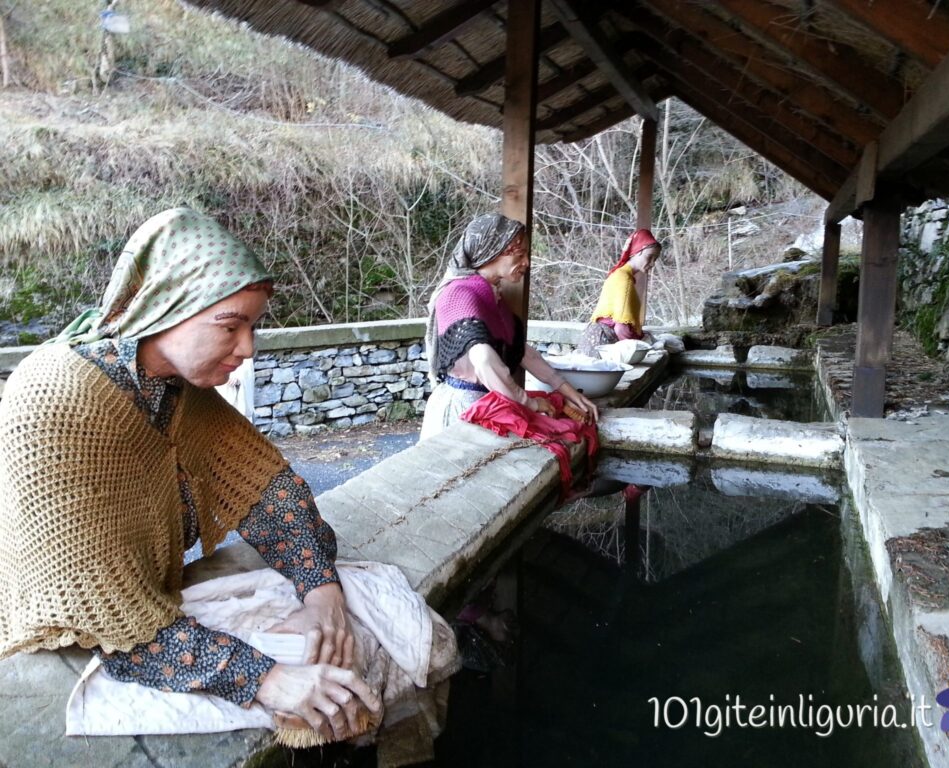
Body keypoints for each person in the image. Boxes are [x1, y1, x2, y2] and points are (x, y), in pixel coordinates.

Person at [0, 207, 379, 743]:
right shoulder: (56, 399)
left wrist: (321, 592)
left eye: (252, 326)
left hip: (150, 607)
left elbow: (269, 495)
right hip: (63, 635)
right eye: (231, 325)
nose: (247, 349)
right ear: (166, 308)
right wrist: (266, 679)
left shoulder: (174, 388)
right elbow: (108, 618)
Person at [421, 212, 599, 440]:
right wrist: (530, 403)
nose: (526, 262)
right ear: (494, 251)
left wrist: (565, 388)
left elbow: (520, 351)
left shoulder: (489, 296)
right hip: (462, 409)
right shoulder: (460, 295)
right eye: (520, 254)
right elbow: (483, 359)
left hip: (483, 404)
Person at [577, 228, 661, 356]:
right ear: (637, 252)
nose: (652, 263)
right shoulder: (623, 279)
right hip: (602, 341)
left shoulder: (621, 275)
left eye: (655, 259)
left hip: (597, 339)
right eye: (649, 257)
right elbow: (621, 327)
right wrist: (636, 351)